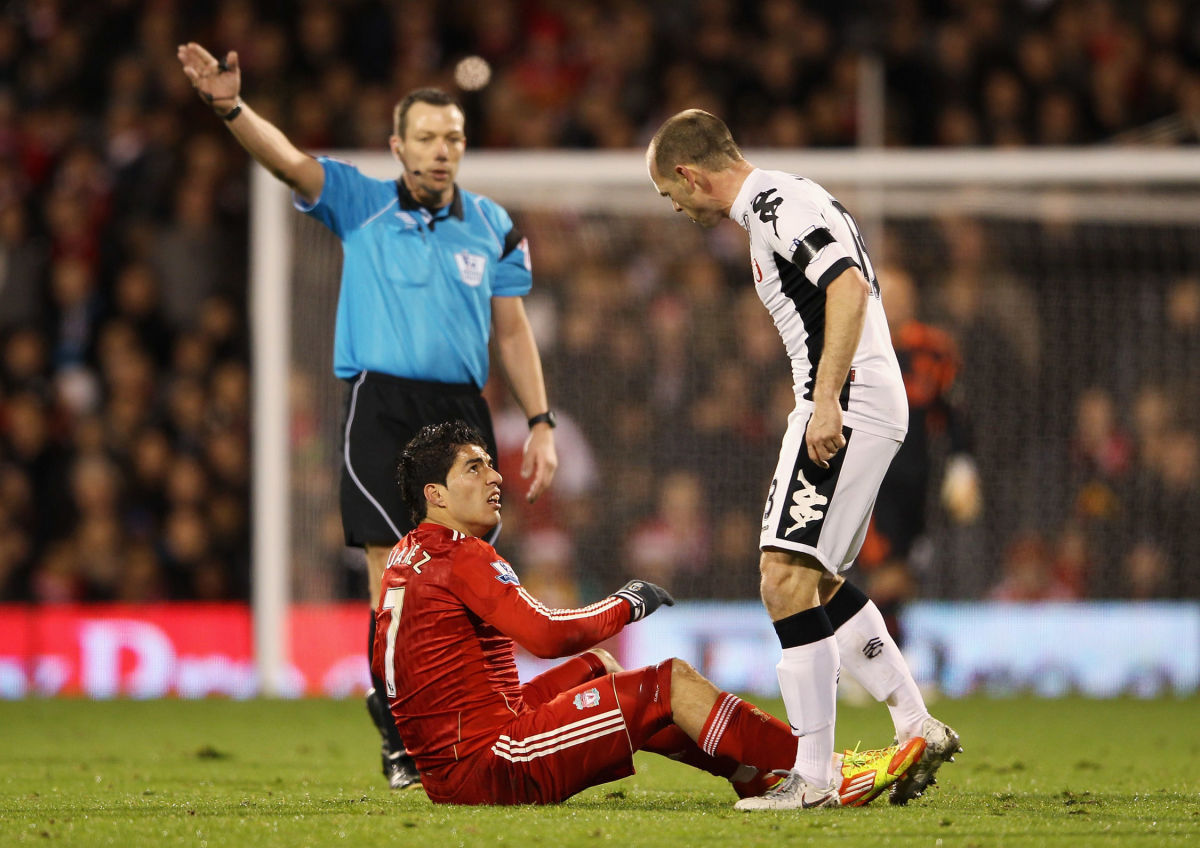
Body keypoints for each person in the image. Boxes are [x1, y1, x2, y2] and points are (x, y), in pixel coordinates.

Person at [176, 44, 559, 791]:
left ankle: (467, 724)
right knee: (395, 580)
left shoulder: (493, 225)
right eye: (425, 137)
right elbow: (287, 159)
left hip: (461, 415)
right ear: (398, 147)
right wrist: (228, 106)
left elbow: (511, 330)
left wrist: (540, 420)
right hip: (381, 407)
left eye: (452, 137)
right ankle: (397, 732)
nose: (441, 150)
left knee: (468, 583)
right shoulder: (361, 201)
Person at [646, 109, 962, 810]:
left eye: (671, 193)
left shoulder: (773, 203)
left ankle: (813, 779)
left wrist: (824, 401)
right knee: (814, 580)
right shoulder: (783, 201)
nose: (674, 207)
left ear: (689, 174)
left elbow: (846, 286)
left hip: (844, 397)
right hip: (858, 396)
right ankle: (915, 723)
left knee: (782, 580)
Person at [372, 420, 924, 806]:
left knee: (600, 667)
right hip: (490, 764)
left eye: (491, 464)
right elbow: (541, 635)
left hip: (454, 762)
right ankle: (819, 771)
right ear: (435, 495)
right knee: (668, 684)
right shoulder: (459, 556)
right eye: (474, 468)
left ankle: (758, 771)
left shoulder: (406, 556)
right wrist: (626, 603)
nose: (495, 477)